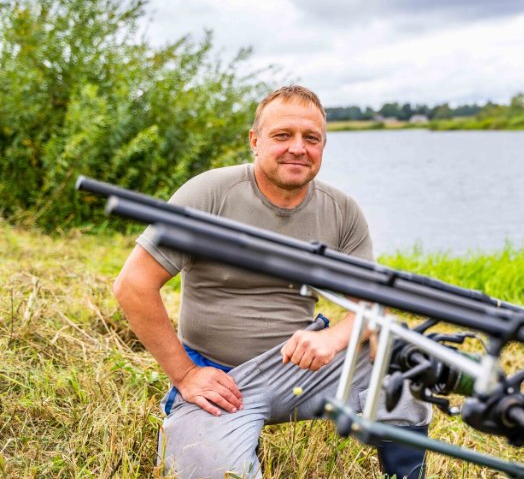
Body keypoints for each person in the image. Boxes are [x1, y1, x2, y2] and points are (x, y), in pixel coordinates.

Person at [113, 85, 430, 478]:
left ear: (323, 147)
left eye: (311, 138)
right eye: (283, 135)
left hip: (303, 368)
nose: (298, 147)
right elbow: (133, 285)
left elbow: (371, 304)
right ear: (255, 141)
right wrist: (185, 374)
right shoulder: (208, 194)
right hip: (223, 378)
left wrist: (331, 340)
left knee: (403, 361)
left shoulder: (342, 210)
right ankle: (203, 427)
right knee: (211, 469)